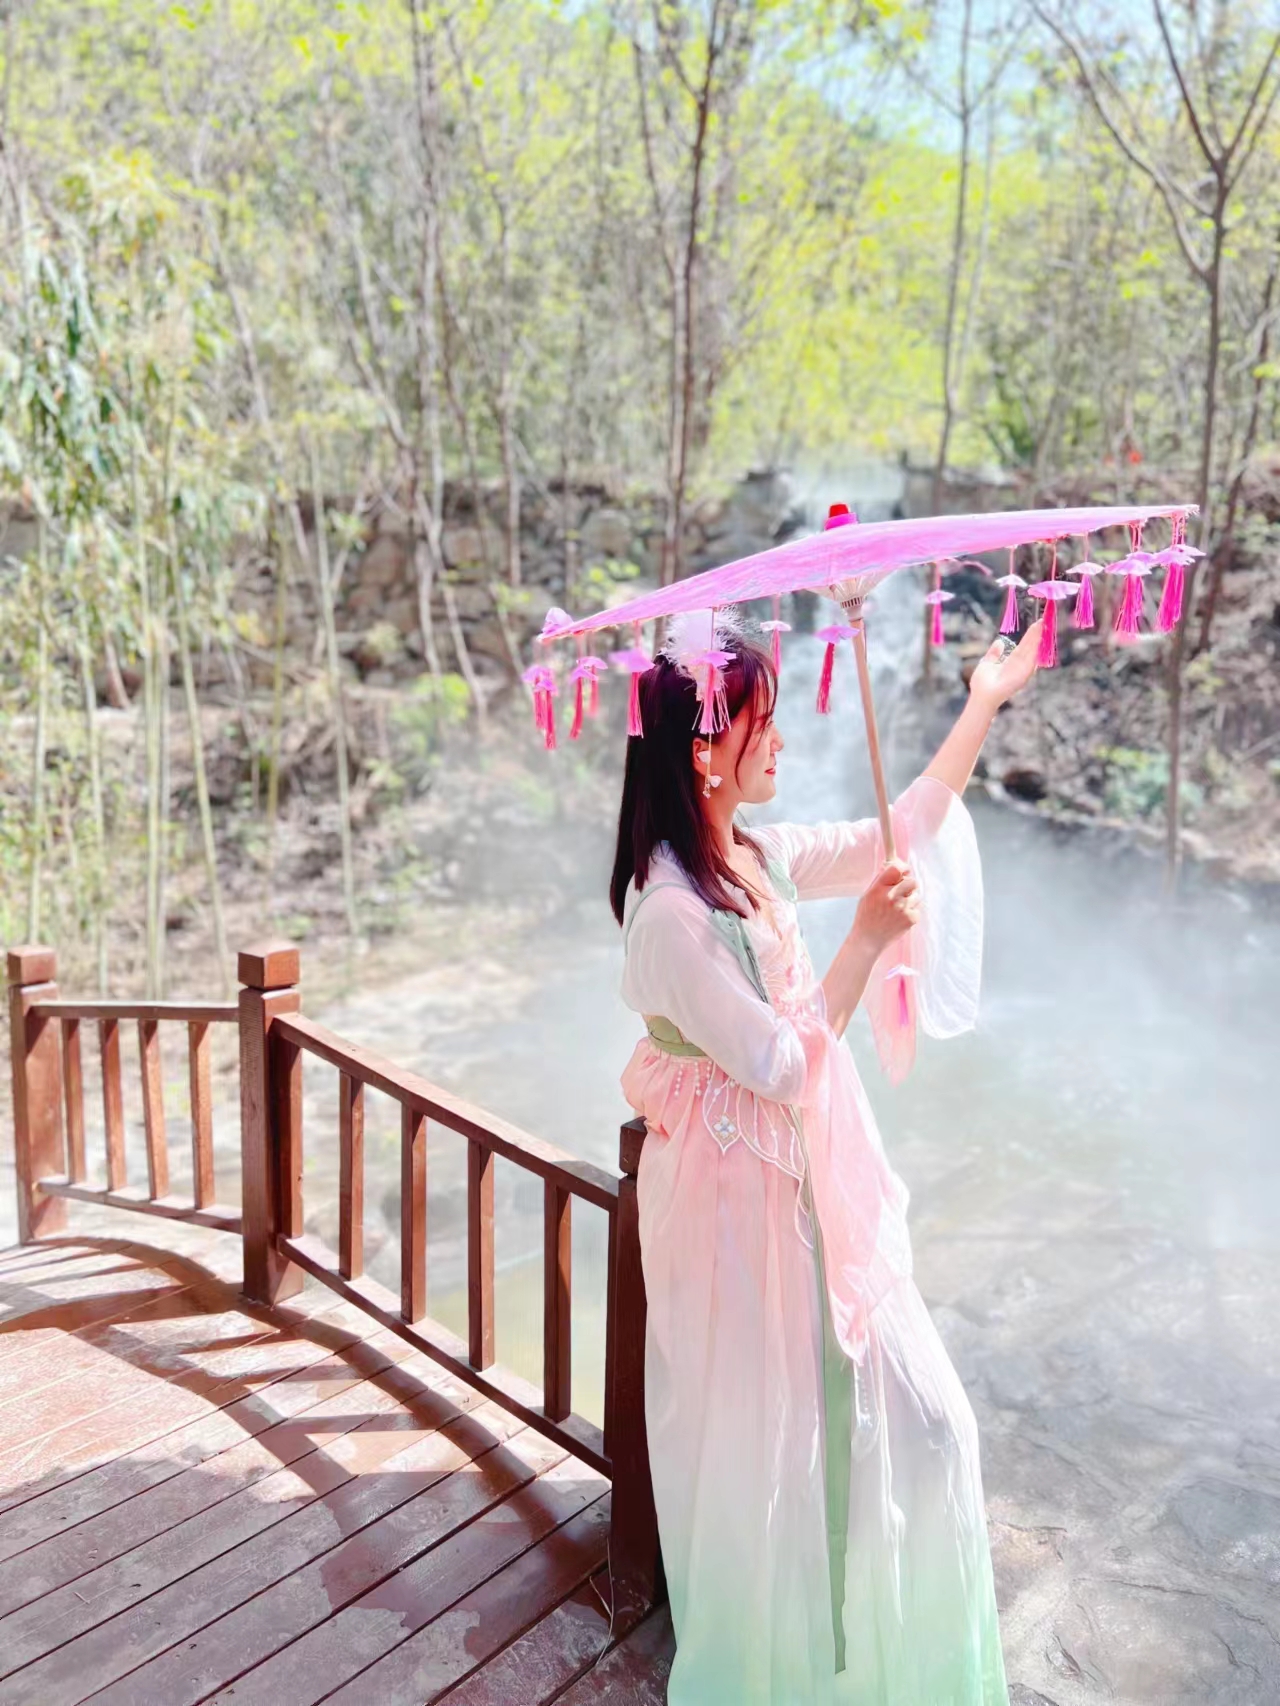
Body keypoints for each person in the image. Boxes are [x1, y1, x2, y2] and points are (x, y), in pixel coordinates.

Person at [610, 613, 1042, 1706]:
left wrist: (982, 703)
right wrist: (862, 941)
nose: (780, 740)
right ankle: (787, 1675)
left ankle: (890, 1670)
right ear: (704, 750)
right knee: (766, 1467)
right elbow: (774, 1062)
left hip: (807, 1187)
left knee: (931, 1428)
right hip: (731, 1215)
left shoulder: (756, 859)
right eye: (760, 721)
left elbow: (901, 826)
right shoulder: (670, 914)